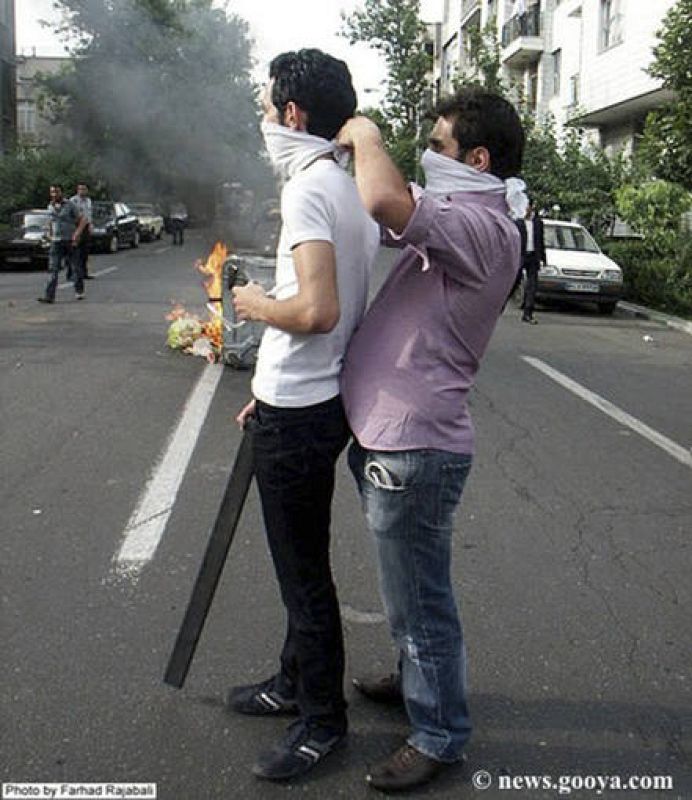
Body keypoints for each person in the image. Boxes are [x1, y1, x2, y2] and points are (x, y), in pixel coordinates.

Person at [336, 86, 526, 792]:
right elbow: (381, 210)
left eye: (440, 145)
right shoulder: (457, 215)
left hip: (415, 449)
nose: (428, 156)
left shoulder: (485, 227)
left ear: (476, 159)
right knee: (408, 594)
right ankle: (417, 677)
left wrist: (365, 131)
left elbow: (388, 203)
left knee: (422, 601)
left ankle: (440, 732)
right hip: (391, 439)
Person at [229, 49, 380, 783]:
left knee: (303, 577)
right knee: (302, 566)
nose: (264, 119)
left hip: (301, 416)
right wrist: (268, 385)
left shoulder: (308, 191)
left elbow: (317, 311)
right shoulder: (343, 186)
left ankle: (321, 724)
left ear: (293, 116)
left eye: (266, 107)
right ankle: (291, 684)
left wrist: (253, 303)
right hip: (314, 401)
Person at [38, 184, 88, 304]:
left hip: (69, 240)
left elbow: (82, 220)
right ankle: (49, 296)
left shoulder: (70, 205)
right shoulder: (50, 206)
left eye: (57, 192)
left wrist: (77, 234)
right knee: (53, 269)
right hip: (56, 241)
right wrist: (49, 235)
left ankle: (79, 290)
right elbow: (51, 222)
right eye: (52, 192)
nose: (54, 194)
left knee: (75, 267)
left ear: (61, 193)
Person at [515, 200, 546, 324]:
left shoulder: (538, 223)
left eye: (526, 206)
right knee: (513, 282)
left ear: (531, 207)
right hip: (520, 256)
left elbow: (541, 241)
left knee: (532, 285)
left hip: (533, 257)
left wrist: (543, 259)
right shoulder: (517, 222)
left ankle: (528, 313)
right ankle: (497, 309)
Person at [70, 182, 93, 280]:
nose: (82, 191)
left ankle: (84, 272)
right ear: (77, 190)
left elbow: (89, 213)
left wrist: (90, 225)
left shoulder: (88, 201)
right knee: (75, 252)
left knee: (85, 251)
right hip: (76, 227)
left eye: (84, 189)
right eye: (80, 189)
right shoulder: (73, 201)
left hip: (86, 227)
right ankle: (72, 274)